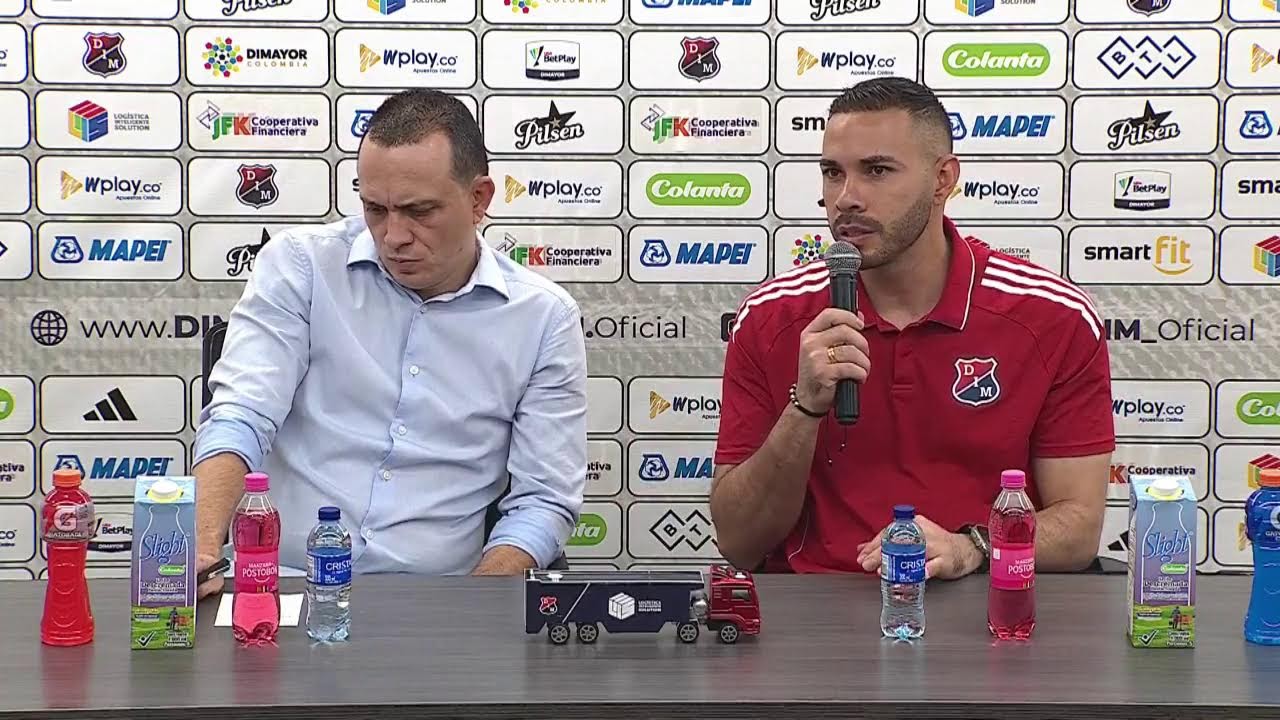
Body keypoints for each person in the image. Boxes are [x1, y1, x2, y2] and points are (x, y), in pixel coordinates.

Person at [710, 77, 1113, 579]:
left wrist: (972, 548)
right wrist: (805, 407)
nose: (846, 198)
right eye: (833, 173)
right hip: (815, 613)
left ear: (943, 179)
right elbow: (739, 543)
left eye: (877, 170)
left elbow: (1078, 530)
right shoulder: (771, 317)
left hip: (985, 604)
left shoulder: (1054, 316)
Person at [192, 89, 588, 597]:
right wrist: (202, 549)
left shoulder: (543, 319)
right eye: (375, 208)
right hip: (280, 587)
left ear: (479, 199)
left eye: (419, 211)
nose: (393, 235)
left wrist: (478, 606)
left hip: (441, 598)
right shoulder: (300, 266)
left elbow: (544, 500)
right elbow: (241, 413)